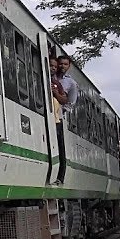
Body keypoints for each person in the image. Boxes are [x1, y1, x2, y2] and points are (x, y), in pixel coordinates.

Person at [49, 54, 69, 185]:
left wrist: (55, 92)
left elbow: (64, 100)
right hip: (48, 119)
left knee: (61, 150)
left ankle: (60, 177)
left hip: (56, 120)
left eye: (55, 67)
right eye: (51, 66)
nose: (53, 68)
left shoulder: (56, 83)